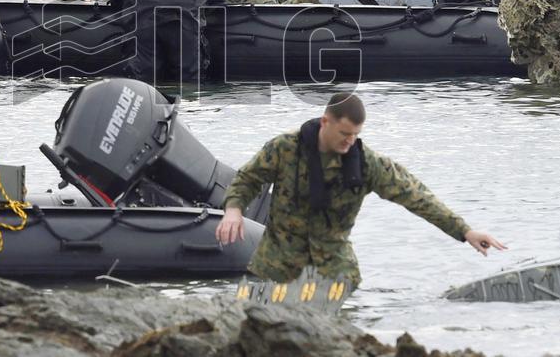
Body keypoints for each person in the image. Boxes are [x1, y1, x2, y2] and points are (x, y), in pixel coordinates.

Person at [215, 93, 505, 289]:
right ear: (326, 122)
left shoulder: (366, 164)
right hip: (276, 267)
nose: (349, 142)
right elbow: (247, 178)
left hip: (335, 272)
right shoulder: (285, 148)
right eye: (344, 134)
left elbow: (416, 196)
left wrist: (465, 231)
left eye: (356, 135)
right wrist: (233, 209)